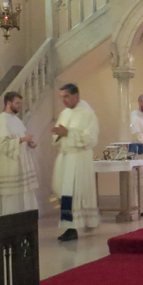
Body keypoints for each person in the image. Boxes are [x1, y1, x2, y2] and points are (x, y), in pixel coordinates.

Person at [52, 84, 99, 241]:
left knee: (73, 193)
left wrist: (68, 133)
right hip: (65, 158)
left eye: (66, 96)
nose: (63, 100)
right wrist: (59, 134)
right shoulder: (64, 113)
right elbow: (57, 137)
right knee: (62, 192)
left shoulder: (88, 114)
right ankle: (70, 225)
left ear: (76, 96)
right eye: (62, 97)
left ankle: (71, 228)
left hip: (79, 158)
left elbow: (90, 138)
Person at [0, 92, 39, 215]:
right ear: (8, 103)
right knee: (12, 200)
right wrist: (22, 140)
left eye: (20, 103)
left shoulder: (16, 119)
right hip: (10, 167)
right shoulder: (1, 120)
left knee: (23, 199)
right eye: (17, 103)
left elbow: (19, 138)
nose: (20, 106)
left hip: (20, 166)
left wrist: (28, 143)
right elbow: (3, 145)